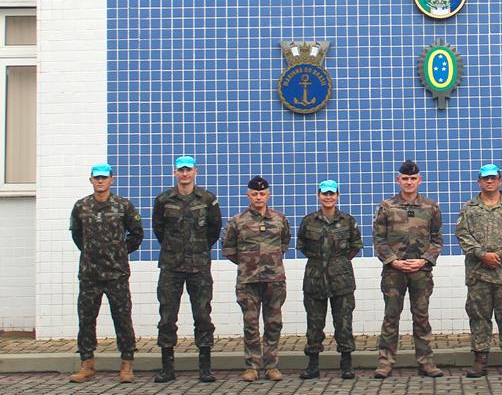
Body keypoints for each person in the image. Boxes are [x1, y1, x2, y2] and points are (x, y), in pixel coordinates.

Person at [68, 163, 144, 383]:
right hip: (90, 274)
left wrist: (119, 252)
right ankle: (87, 365)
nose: (100, 181)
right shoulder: (81, 206)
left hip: (116, 274)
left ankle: (127, 364)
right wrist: (92, 253)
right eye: (96, 178)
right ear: (91, 180)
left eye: (104, 178)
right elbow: (77, 236)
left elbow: (137, 233)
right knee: (86, 319)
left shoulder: (123, 206)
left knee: (122, 318)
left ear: (112, 179)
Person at [455, 164, 502, 378]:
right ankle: (480, 361)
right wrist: (481, 254)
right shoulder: (469, 208)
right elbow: (462, 234)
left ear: (500, 181)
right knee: (479, 316)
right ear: (479, 182)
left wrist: (500, 255)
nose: (489, 182)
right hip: (478, 273)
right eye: (485, 178)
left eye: (493, 178)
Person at [152, 155, 223, 383]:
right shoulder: (164, 200)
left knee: (202, 315)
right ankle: (167, 367)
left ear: (195, 172)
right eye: (181, 170)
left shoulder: (208, 199)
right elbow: (158, 230)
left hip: (199, 266)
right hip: (171, 266)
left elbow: (214, 230)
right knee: (167, 316)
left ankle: (205, 367)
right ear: (175, 172)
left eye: (188, 170)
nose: (184, 174)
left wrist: (197, 249)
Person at [372, 159, 444, 378]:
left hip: (421, 272)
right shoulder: (387, 207)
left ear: (419, 180)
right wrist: (393, 260)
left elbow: (437, 239)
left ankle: (426, 362)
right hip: (394, 272)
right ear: (398, 180)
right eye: (405, 179)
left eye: (413, 178)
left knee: (421, 316)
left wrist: (425, 260)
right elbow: (378, 239)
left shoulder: (430, 207)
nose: (409, 182)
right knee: (391, 317)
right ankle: (385, 362)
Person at [222, 176, 292, 382]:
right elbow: (228, 249)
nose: (259, 197)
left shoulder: (280, 219)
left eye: (262, 194)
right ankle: (252, 366)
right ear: (248, 195)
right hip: (248, 281)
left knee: (273, 323)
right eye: (255, 194)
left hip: (274, 279)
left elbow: (284, 244)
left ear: (268, 194)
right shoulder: (238, 221)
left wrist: (270, 262)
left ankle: (271, 366)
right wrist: (248, 263)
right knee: (250, 323)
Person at [297, 179, 363, 380]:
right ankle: (313, 365)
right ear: (318, 195)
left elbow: (355, 245)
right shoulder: (309, 221)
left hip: (341, 279)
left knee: (344, 322)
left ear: (337, 196)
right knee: (314, 323)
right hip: (315, 278)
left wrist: (337, 263)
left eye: (332, 193)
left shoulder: (347, 221)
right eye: (325, 193)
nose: (328, 197)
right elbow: (303, 246)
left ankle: (346, 365)